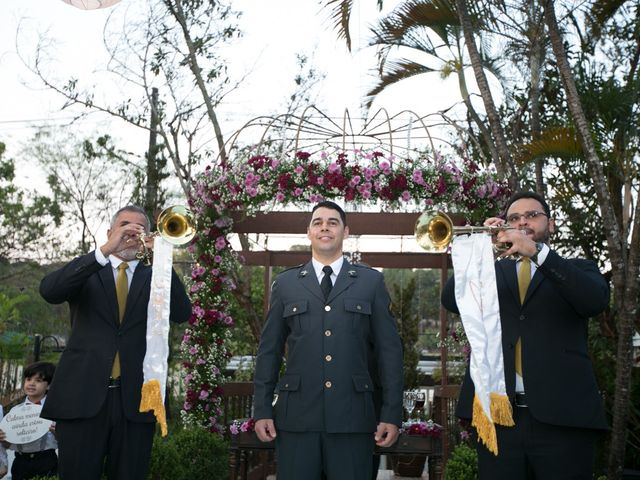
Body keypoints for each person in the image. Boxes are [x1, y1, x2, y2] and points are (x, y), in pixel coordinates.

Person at [441, 191, 609, 479]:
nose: (523, 222)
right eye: (514, 218)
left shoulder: (577, 268)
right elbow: (451, 299)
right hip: (499, 415)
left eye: (532, 215)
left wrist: (536, 252)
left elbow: (594, 300)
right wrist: (482, 251)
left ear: (551, 224)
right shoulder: (492, 271)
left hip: (563, 419)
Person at [253, 200, 404, 480]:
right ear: (308, 232)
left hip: (353, 419)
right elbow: (269, 351)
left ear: (345, 231)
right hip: (297, 419)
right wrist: (261, 409)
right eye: (318, 222)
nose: (325, 227)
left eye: (332, 222)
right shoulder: (285, 284)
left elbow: (390, 353)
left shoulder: (370, 282)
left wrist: (391, 413)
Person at [39, 205, 192, 480]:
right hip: (82, 400)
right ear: (110, 232)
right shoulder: (88, 269)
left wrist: (162, 260)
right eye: (124, 226)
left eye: (139, 228)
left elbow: (183, 313)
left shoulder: (154, 276)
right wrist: (105, 251)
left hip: (135, 402)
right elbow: (49, 291)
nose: (131, 232)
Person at [0, 362, 58, 480]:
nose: (31, 383)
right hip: (21, 462)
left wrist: (57, 432)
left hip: (46, 460)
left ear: (48, 386)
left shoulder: (54, 411)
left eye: (38, 380)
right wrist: (4, 439)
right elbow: (9, 444)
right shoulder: (15, 412)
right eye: (28, 379)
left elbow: (65, 441)